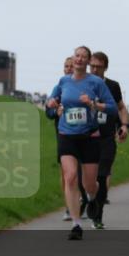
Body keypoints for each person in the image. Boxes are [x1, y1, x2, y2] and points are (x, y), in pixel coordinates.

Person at [46, 46, 118, 240]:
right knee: (70, 177)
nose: (79, 59)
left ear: (88, 62)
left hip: (89, 136)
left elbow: (112, 108)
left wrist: (93, 104)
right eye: (77, 56)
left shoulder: (95, 83)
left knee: (89, 184)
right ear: (73, 58)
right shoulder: (62, 82)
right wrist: (52, 107)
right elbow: (49, 107)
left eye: (83, 57)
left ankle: (91, 199)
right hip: (66, 135)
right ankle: (76, 224)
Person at [86, 51, 129, 229]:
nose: (95, 69)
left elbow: (121, 108)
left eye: (98, 66)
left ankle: (98, 215)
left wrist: (124, 125)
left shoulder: (112, 86)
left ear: (105, 67)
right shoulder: (82, 83)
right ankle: (88, 199)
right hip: (85, 137)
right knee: (87, 178)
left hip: (106, 138)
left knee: (102, 176)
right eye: (92, 66)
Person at [48, 57, 76, 222]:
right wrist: (55, 112)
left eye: (71, 66)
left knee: (81, 172)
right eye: (66, 66)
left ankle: (84, 200)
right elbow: (49, 111)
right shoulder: (59, 88)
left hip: (84, 134)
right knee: (66, 172)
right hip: (63, 134)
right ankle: (68, 206)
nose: (68, 69)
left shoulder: (86, 86)